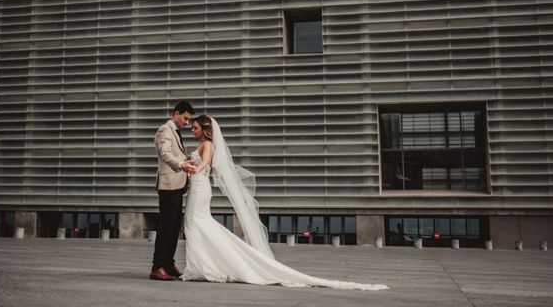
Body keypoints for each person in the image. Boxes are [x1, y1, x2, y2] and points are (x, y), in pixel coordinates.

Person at [181, 114, 389, 291]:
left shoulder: (207, 145)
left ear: (205, 130)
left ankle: (205, 266)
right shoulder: (201, 145)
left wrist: (191, 169)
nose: (192, 130)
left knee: (195, 224)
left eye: (195, 127)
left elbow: (206, 164)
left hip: (200, 188)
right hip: (197, 188)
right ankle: (202, 266)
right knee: (196, 225)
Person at [150, 101, 197, 281]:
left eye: (188, 120)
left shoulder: (176, 132)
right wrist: (181, 165)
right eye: (185, 118)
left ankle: (168, 264)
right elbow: (165, 153)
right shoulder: (165, 130)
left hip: (177, 186)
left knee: (174, 227)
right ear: (176, 114)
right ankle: (157, 267)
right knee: (166, 227)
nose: (186, 122)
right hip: (168, 186)